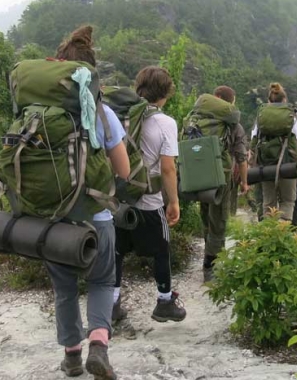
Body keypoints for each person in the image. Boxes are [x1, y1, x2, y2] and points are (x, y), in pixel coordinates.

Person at [41, 26, 129, 379]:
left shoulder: (40, 114)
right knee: (102, 281)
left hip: (52, 219)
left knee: (63, 289)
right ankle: (99, 347)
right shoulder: (102, 114)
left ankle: (72, 356)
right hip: (98, 215)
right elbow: (122, 169)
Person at [113, 66, 186, 323]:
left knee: (117, 252)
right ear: (165, 94)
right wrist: (174, 201)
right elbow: (168, 167)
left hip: (118, 199)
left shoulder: (120, 117)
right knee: (161, 250)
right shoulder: (166, 123)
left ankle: (112, 306)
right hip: (149, 201)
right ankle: (164, 302)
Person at [201, 86, 249, 283]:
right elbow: (241, 157)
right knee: (218, 221)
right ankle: (210, 266)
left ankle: (209, 255)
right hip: (222, 178)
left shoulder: (198, 118)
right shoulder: (233, 125)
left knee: (205, 217)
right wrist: (245, 182)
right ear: (230, 102)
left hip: (199, 175)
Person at [251, 82, 297, 222]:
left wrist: (251, 168)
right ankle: (282, 235)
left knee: (268, 204)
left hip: (266, 167)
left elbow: (252, 146)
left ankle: (268, 234)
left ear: (269, 101)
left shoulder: (261, 117)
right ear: (284, 100)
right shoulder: (291, 118)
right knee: (287, 202)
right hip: (288, 166)